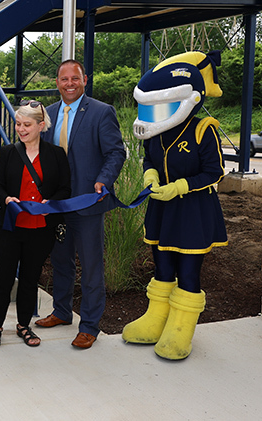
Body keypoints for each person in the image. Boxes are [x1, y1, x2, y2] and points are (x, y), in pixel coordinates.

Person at [123, 51, 227, 360]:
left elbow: (214, 171)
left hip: (193, 211)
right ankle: (156, 319)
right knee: (162, 264)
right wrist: (150, 174)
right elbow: (148, 158)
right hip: (162, 208)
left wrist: (181, 186)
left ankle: (181, 329)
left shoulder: (202, 128)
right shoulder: (155, 131)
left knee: (188, 271)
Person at [35, 59, 126, 349]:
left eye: (75, 78)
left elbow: (115, 152)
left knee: (91, 266)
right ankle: (62, 312)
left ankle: (89, 325)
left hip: (88, 202)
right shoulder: (46, 115)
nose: (69, 84)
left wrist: (104, 179)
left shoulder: (101, 112)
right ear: (57, 82)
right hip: (57, 205)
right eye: (64, 79)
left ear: (84, 79)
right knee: (61, 262)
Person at [0, 101, 70, 349]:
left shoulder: (56, 155)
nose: (21, 129)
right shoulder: (7, 152)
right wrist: (6, 199)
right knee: (3, 278)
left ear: (41, 126)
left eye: (27, 125)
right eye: (18, 124)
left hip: (41, 229)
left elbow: (66, 189)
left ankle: (24, 325)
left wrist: (50, 202)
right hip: (9, 228)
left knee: (31, 279)